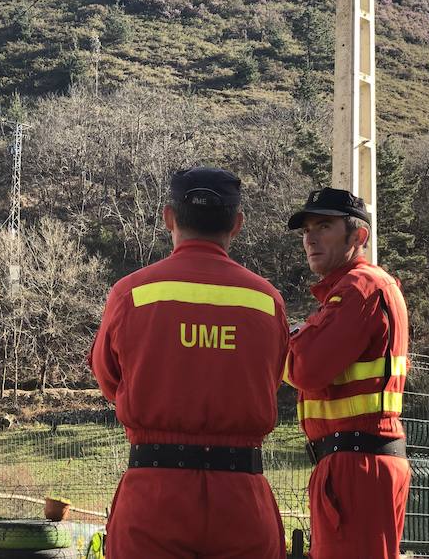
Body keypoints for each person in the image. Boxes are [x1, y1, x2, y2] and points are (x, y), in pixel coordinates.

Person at [89, 167, 288, 559]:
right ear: (237, 224)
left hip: (153, 495)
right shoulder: (268, 302)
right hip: (243, 499)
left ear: (169, 217)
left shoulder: (131, 293)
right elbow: (274, 377)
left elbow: (109, 380)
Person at [285, 187, 410, 559]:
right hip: (355, 461)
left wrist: (273, 346)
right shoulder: (354, 290)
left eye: (324, 226)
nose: (310, 238)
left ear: (359, 236)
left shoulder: (360, 288)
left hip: (356, 464)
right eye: (306, 229)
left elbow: (306, 368)